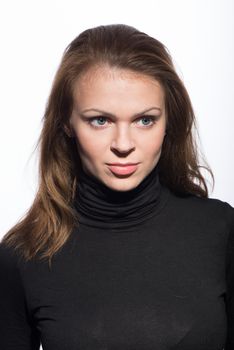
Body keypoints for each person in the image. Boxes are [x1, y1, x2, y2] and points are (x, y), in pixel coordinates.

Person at [0, 23, 233, 350]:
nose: (123, 144)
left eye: (145, 120)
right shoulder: (23, 255)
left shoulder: (220, 231)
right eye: (100, 120)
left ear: (169, 122)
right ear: (67, 122)